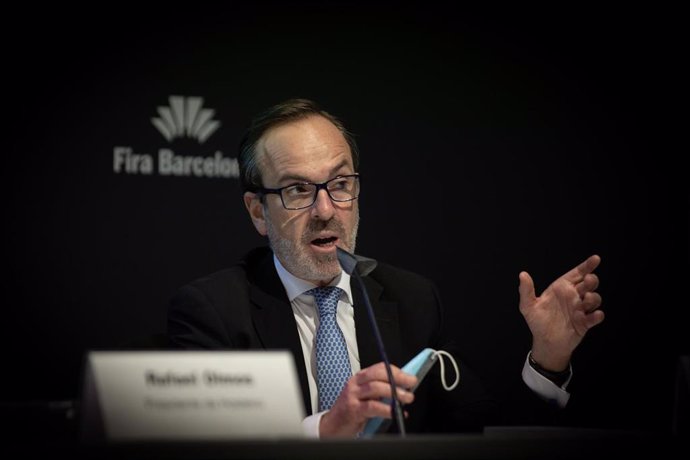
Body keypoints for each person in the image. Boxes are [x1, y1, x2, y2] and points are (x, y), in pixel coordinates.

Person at [167, 98, 604, 438]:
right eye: (298, 190)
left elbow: (484, 435)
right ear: (259, 212)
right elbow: (201, 445)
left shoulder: (411, 300)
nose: (325, 209)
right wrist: (324, 430)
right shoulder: (216, 312)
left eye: (340, 184)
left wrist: (548, 359)